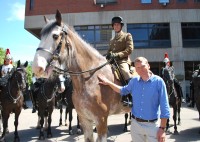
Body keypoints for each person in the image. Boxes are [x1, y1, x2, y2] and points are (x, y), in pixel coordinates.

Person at [98, 56, 170, 142]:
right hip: (136, 125)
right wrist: (108, 82)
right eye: (138, 68)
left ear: (148, 66)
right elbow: (122, 90)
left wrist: (162, 129)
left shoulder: (159, 82)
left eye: (143, 66)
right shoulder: (134, 81)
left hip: (152, 126)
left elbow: (165, 107)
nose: (140, 69)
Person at [106, 16, 134, 106]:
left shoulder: (127, 36)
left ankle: (130, 96)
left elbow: (129, 49)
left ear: (121, 26)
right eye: (115, 25)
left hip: (122, 61)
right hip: (112, 62)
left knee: (125, 72)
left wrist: (118, 55)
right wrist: (108, 55)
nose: (116, 26)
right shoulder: (112, 40)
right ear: (113, 27)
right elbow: (110, 51)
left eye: (118, 24)